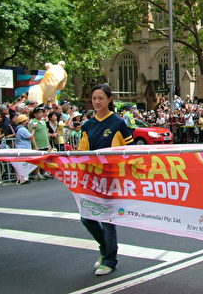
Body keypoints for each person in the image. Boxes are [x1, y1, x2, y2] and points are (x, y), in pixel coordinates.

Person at [77, 83, 134, 276]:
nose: (96, 102)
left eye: (100, 98)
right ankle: (105, 249)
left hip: (111, 178)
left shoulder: (118, 123)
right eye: (94, 98)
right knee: (87, 218)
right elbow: (82, 152)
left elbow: (130, 151)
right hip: (92, 178)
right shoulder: (88, 125)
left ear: (109, 99)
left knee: (108, 220)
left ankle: (110, 260)